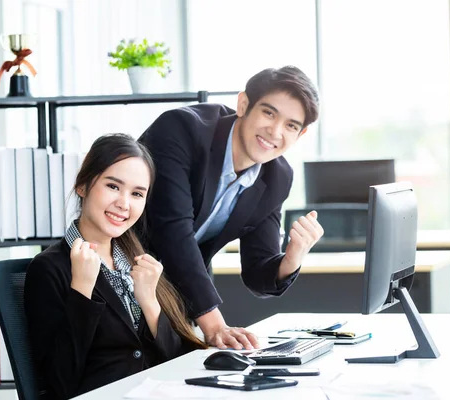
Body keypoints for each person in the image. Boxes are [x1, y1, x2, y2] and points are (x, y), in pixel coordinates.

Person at [138, 66, 324, 351]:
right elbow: (172, 230)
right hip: (116, 273)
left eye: (291, 125)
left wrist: (293, 256)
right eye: (269, 113)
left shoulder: (277, 177)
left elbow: (257, 273)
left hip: (176, 296)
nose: (274, 132)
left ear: (301, 134)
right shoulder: (181, 129)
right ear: (243, 104)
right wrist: (214, 326)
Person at [24, 134, 206, 400]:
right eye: (113, 186)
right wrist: (82, 291)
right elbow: (59, 383)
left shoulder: (139, 261)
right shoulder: (50, 269)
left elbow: (178, 361)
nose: (124, 203)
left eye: (136, 194)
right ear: (83, 185)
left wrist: (150, 303)